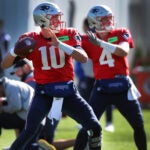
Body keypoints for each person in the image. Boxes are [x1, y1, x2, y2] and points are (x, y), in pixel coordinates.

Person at [1, 2, 102, 150]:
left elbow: (83, 57)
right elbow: (5, 64)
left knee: (94, 127)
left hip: (68, 93)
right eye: (54, 18)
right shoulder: (30, 38)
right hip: (44, 94)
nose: (58, 21)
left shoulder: (70, 33)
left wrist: (60, 44)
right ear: (42, 21)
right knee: (30, 131)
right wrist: (15, 51)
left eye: (57, 17)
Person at [74, 5, 147, 150]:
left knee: (138, 125)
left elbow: (123, 51)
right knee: (87, 125)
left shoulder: (121, 32)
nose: (109, 21)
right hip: (101, 88)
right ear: (94, 22)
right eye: (104, 19)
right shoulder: (86, 39)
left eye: (109, 18)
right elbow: (67, 44)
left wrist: (100, 43)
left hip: (122, 85)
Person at [75, 18, 114, 132]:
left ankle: (109, 122)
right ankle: (86, 122)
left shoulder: (98, 38)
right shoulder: (83, 40)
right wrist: (81, 76)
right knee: (86, 100)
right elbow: (79, 60)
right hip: (88, 76)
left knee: (107, 100)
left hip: (101, 75)